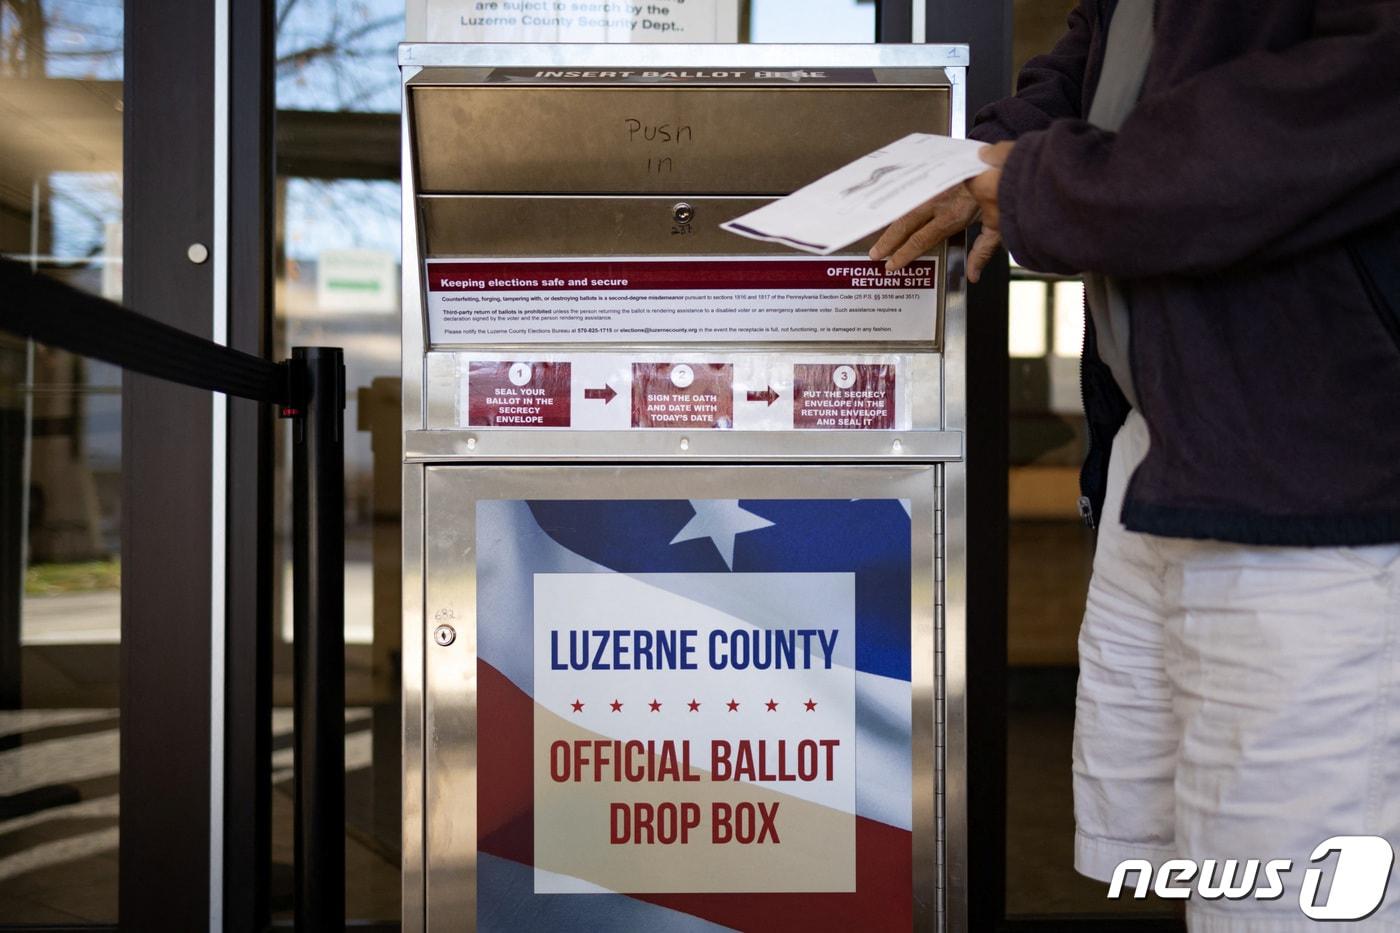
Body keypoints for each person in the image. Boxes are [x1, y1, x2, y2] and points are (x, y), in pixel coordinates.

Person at [872, 1, 1400, 929]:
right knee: (1209, 874)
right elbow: (1090, 76)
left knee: (1299, 896)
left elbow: (1344, 95)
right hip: (1166, 450)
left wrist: (1043, 185)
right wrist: (966, 164)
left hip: (1314, 481)